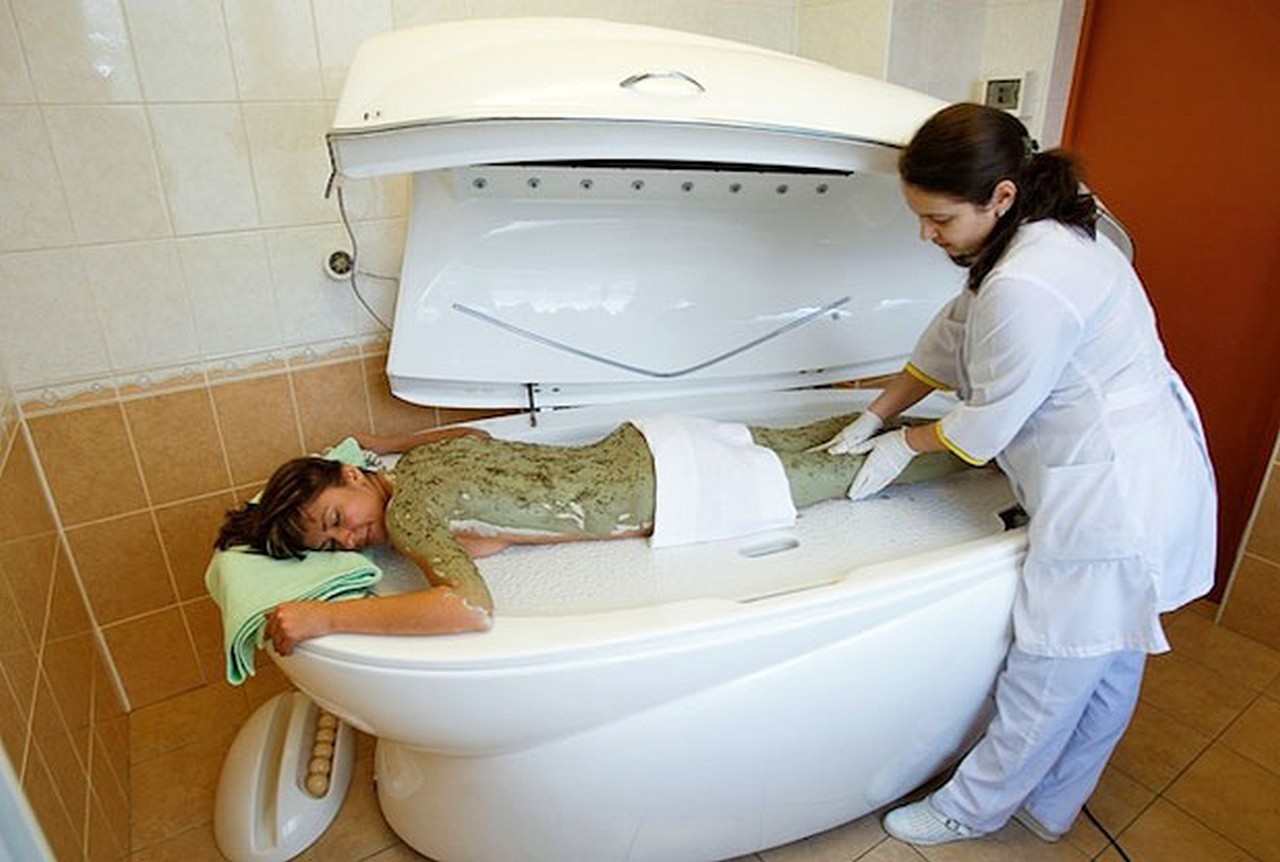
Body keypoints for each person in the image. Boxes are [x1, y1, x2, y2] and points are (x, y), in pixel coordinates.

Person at [824, 103, 1216, 845]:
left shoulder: (1031, 279)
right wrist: (878, 411)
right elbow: (953, 334)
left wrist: (903, 445)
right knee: (1111, 659)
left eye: (939, 219)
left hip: (1113, 493)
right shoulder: (1036, 230)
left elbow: (983, 428)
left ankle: (970, 808)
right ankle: (1054, 803)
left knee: (1054, 663)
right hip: (1136, 465)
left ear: (1001, 195)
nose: (926, 235)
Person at [215, 413, 966, 655]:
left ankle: (987, 442)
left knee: (855, 471)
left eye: (338, 519)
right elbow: (476, 436)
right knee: (837, 434)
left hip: (674, 486)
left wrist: (323, 618)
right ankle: (963, 416)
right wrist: (385, 444)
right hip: (650, 443)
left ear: (351, 476)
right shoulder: (415, 464)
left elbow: (467, 610)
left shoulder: (409, 515)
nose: (351, 540)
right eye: (333, 545)